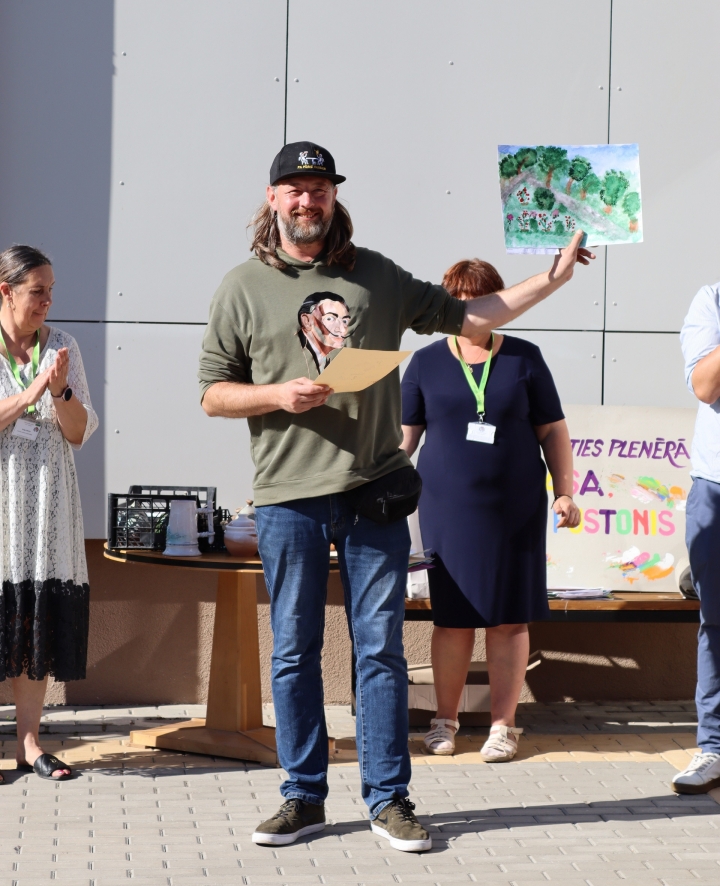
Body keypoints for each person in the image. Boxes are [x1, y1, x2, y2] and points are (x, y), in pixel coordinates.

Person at [198, 141, 592, 851]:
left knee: (378, 651)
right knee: (293, 652)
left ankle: (388, 799)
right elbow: (212, 392)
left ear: (334, 197)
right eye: (295, 188)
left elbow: (474, 314)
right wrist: (276, 395)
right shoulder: (242, 286)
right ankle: (302, 797)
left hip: (372, 494)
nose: (308, 200)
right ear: (273, 198)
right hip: (287, 498)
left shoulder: (376, 276)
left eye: (320, 188)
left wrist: (553, 279)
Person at [400, 258, 580, 761]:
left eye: (480, 299)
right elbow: (405, 439)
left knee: (509, 619)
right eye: (459, 300)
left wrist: (564, 492)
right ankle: (444, 721)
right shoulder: (425, 362)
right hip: (446, 509)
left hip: (516, 508)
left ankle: (504, 725)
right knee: (452, 618)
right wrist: (374, 487)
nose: (470, 310)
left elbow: (553, 431)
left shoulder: (525, 357)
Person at [0, 245, 98, 782]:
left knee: (31, 616)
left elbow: (78, 432)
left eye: (51, 291)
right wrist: (33, 389)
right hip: (2, 500)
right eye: (37, 291)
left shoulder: (63, 346)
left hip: (47, 502)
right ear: (6, 291)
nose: (47, 302)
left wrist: (59, 390)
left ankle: (29, 744)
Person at [674, 282, 720, 793]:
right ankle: (714, 747)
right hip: (716, 487)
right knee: (717, 620)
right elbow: (706, 386)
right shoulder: (713, 300)